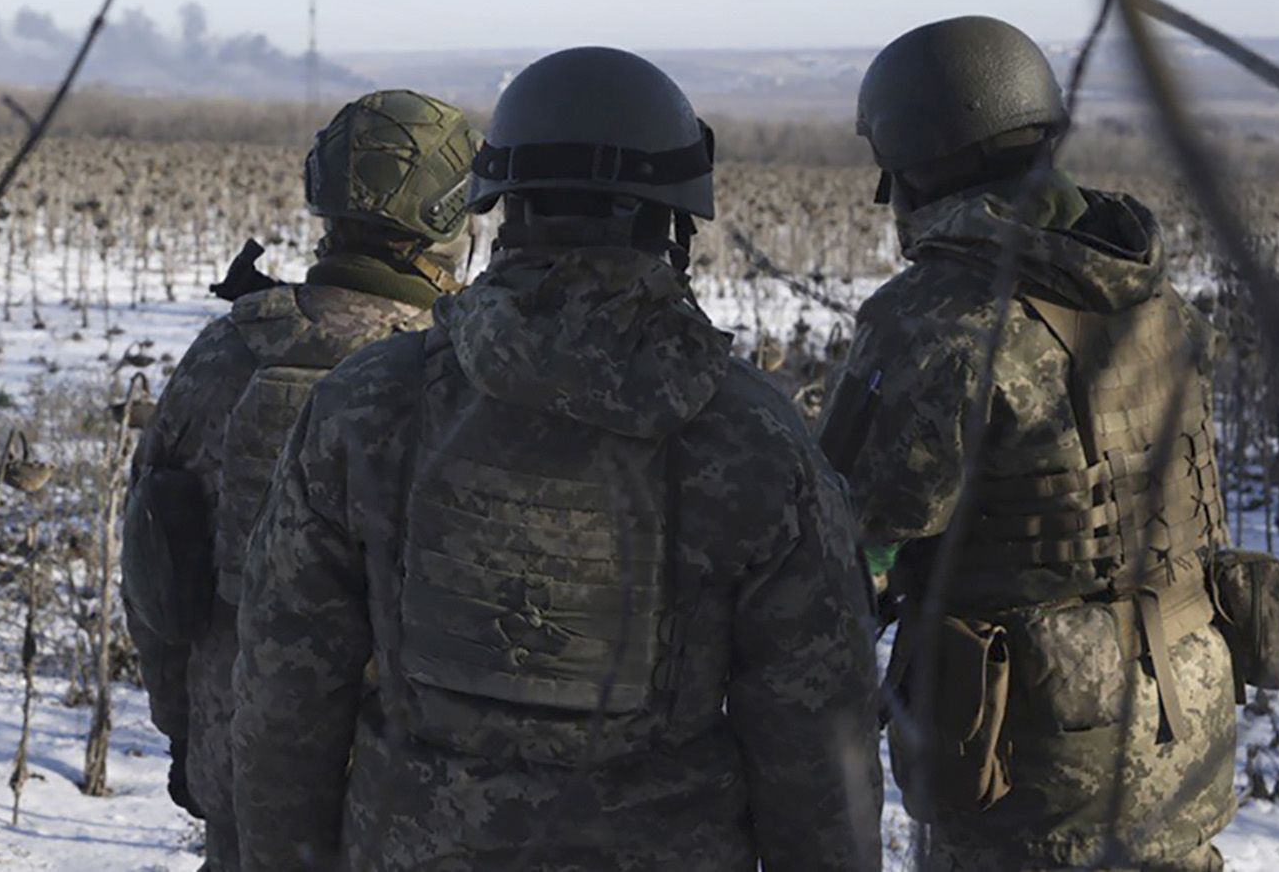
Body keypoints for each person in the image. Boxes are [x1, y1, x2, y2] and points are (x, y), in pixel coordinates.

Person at [232, 47, 883, 871]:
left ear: (498, 206)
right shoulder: (754, 437)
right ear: (675, 220)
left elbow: (286, 697)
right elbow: (818, 746)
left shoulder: (365, 406)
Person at [821, 15, 1279, 871]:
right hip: (1189, 729)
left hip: (1036, 767)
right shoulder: (1158, 300)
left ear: (916, 161)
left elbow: (849, 527)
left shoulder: (937, 321)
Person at [121, 89, 479, 871]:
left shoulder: (229, 352)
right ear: (452, 219)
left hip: (243, 770)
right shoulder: (466, 376)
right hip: (420, 800)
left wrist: (187, 731)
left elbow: (155, 574)